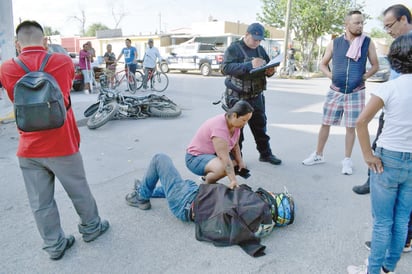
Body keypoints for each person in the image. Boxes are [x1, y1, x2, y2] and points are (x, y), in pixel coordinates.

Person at [0, 20, 109, 260]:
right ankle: (92, 228)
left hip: (28, 148)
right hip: (63, 144)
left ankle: (54, 245)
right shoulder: (61, 61)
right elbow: (65, 93)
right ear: (46, 41)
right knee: (79, 191)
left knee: (41, 202)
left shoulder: (6, 68)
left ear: (17, 44)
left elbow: (14, 98)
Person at [125, 153, 294, 257]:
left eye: (276, 195)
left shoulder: (254, 204)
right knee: (181, 183)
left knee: (160, 158)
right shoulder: (257, 219)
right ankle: (145, 188)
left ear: (274, 201)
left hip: (187, 201)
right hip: (194, 196)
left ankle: (141, 197)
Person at [346, 33, 412, 274]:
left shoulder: (390, 87)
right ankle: (387, 268)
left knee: (383, 222)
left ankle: (372, 271)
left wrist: (367, 155)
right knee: (402, 220)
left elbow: (361, 122)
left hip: (388, 159)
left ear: (394, 58)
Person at [302, 10, 379, 175]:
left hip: (356, 92)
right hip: (335, 91)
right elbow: (323, 64)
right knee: (325, 123)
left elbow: (375, 66)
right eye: (357, 23)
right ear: (347, 24)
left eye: (362, 23)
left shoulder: (367, 42)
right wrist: (331, 76)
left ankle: (346, 160)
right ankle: (318, 155)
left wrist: (363, 77)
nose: (360, 26)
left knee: (351, 127)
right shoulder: (335, 43)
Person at [352, 4, 412, 193]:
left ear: (403, 19)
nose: (387, 31)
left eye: (389, 25)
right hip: (391, 101)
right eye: (385, 27)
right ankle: (374, 179)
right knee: (380, 141)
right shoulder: (399, 43)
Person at [221, 22, 282, 166]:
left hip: (256, 96)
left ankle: (265, 154)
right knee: (237, 133)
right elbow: (225, 68)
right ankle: (236, 160)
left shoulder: (260, 50)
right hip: (237, 98)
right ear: (246, 35)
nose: (257, 42)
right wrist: (249, 65)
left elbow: (267, 66)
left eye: (260, 40)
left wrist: (270, 71)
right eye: (255, 39)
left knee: (260, 128)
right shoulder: (234, 49)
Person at [185, 100, 253, 189]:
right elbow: (224, 158)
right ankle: (206, 186)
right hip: (195, 158)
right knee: (225, 167)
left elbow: (235, 146)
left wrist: (240, 162)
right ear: (234, 115)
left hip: (211, 155)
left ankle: (207, 176)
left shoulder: (235, 125)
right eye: (244, 120)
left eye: (247, 121)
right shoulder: (219, 128)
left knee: (236, 166)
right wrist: (233, 180)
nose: (245, 124)